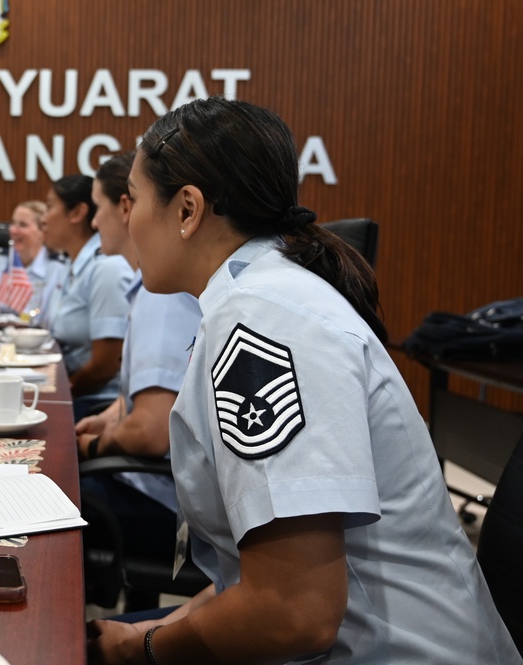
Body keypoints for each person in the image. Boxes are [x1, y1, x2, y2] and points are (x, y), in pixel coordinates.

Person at [87, 97, 521, 664]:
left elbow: (295, 613)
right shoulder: (261, 298)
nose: (127, 220)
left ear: (188, 210)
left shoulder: (263, 321)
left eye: (135, 201)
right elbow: (263, 573)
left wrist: (143, 648)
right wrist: (166, 626)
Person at [76, 151, 202, 605]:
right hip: (174, 495)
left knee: (50, 495)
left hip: (170, 509)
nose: (93, 224)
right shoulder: (157, 289)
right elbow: (150, 393)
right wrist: (112, 418)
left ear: (127, 208)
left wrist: (95, 445)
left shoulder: (161, 296)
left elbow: (150, 431)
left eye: (99, 208)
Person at [44, 174, 134, 420]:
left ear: (77, 213)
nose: (43, 219)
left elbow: (105, 365)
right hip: (75, 392)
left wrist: (61, 392)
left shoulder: (106, 267)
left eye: (50, 207)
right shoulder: (72, 265)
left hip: (98, 403)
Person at [0, 200, 68, 327]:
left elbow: (53, 320)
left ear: (43, 232)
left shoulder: (59, 268)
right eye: (13, 223)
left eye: (23, 225)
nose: (13, 230)